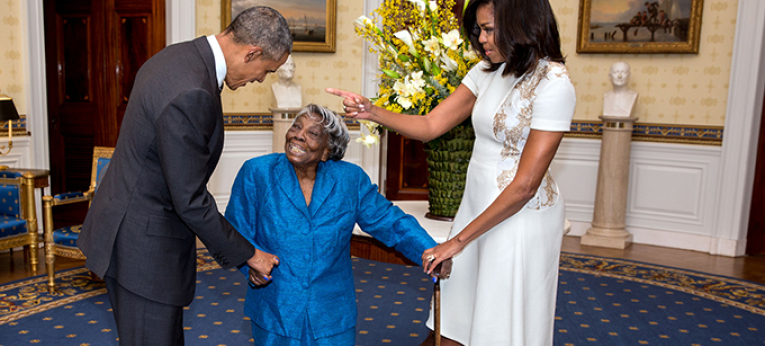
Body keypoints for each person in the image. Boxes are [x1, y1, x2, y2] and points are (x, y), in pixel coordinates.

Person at [327, 0, 576, 344]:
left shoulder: (554, 83)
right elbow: (431, 125)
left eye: (489, 29)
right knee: (456, 309)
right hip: (476, 203)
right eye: (479, 29)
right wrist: (372, 112)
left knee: (498, 319)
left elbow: (525, 186)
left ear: (522, 24)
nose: (481, 38)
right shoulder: (487, 71)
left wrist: (454, 243)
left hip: (520, 218)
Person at [77, 7, 292, 345]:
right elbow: (190, 201)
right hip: (144, 252)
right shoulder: (192, 91)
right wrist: (250, 254)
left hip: (127, 230)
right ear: (252, 52)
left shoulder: (176, 56)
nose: (260, 80)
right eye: (266, 70)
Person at [225, 104, 440, 346]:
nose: (298, 135)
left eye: (312, 134)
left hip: (332, 314)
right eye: (296, 126)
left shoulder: (349, 180)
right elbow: (234, 229)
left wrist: (429, 250)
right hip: (275, 307)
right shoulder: (257, 172)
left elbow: (390, 222)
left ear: (327, 150)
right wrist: (250, 263)